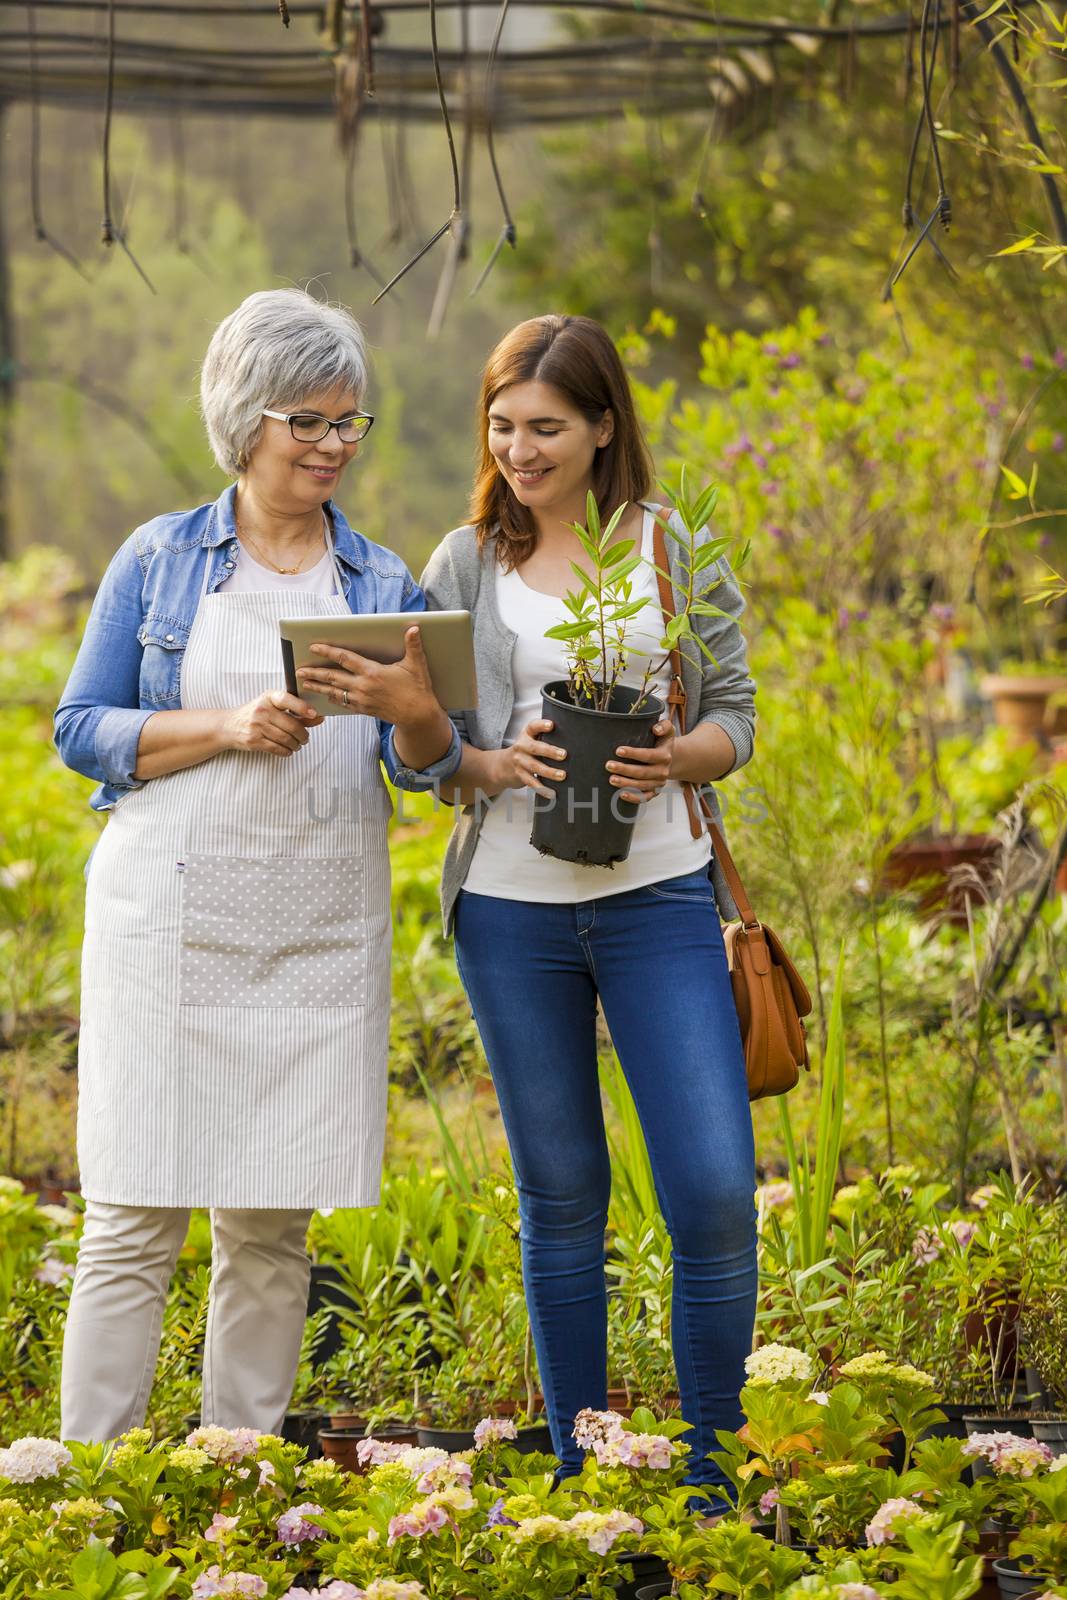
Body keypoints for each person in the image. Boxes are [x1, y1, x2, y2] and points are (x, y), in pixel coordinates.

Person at [53, 288, 458, 1443]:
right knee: (132, 1216)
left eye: (350, 423)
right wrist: (227, 730)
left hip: (312, 935)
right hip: (165, 927)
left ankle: (234, 1482)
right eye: (310, 421)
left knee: (271, 1227)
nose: (334, 445)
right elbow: (80, 724)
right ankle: (95, 1481)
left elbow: (427, 766)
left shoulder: (379, 585)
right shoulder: (161, 558)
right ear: (246, 420)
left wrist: (415, 706)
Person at [427, 313, 758, 1487]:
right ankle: (584, 1478)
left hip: (657, 898)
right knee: (560, 1197)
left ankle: (712, 1480)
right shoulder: (464, 565)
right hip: (509, 911)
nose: (519, 449)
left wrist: (677, 757)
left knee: (714, 1193)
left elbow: (739, 723)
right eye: (502, 425)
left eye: (547, 427)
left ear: (603, 425)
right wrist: (487, 756)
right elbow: (427, 758)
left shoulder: (670, 551)